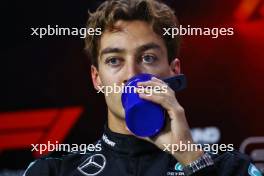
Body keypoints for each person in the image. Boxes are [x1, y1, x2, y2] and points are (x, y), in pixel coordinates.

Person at [24, 0, 262, 175]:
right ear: (97, 79)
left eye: (147, 58)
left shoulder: (231, 169)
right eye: (114, 60)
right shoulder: (53, 171)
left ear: (174, 71)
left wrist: (191, 158)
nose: (132, 75)